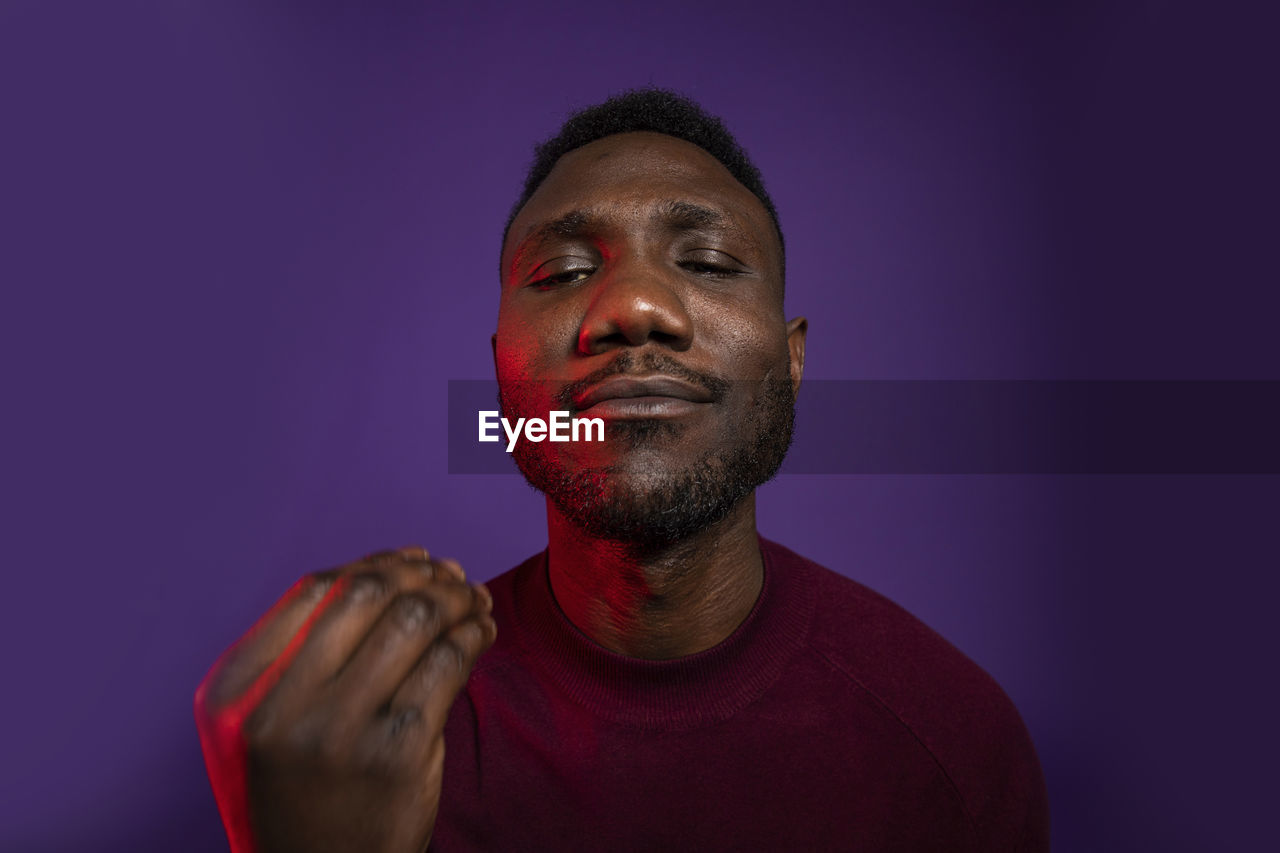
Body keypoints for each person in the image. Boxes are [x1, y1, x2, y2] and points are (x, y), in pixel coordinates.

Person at [195, 89, 1050, 852]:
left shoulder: (952, 743)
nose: (635, 308)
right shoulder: (355, 742)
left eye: (707, 263)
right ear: (504, 378)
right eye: (565, 272)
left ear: (791, 362)